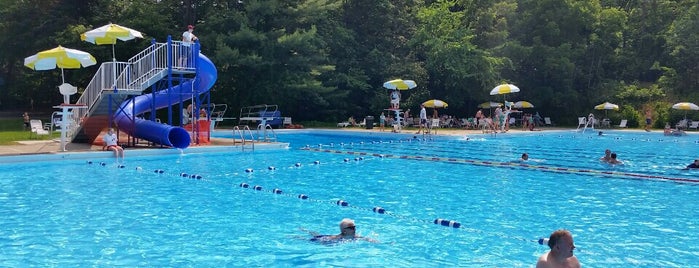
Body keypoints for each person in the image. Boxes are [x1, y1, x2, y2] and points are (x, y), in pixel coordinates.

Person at [309, 218, 376, 243]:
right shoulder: (337, 238)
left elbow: (365, 238)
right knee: (314, 236)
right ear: (344, 230)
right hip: (325, 238)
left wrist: (372, 240)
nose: (354, 229)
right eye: (351, 228)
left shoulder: (356, 236)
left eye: (354, 227)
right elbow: (325, 241)